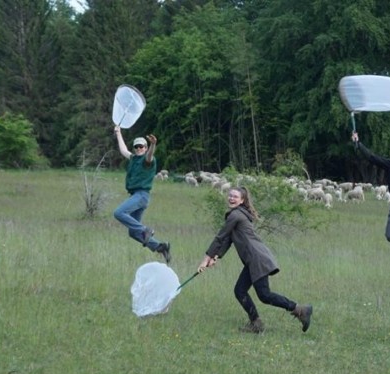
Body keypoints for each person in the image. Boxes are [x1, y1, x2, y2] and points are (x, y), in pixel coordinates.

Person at [197, 186, 313, 334]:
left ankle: (300, 310)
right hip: (254, 259)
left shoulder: (236, 215)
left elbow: (220, 237)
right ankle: (256, 323)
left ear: (242, 200)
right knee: (240, 291)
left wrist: (205, 259)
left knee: (264, 295)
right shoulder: (238, 214)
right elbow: (228, 240)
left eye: (235, 197)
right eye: (230, 195)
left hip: (257, 259)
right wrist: (215, 257)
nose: (231, 198)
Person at [113, 127, 170, 263]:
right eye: (136, 147)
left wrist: (153, 144)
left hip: (141, 195)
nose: (139, 148)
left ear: (145, 147)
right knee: (133, 232)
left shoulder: (147, 160)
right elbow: (123, 150)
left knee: (119, 213)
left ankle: (146, 230)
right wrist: (118, 133)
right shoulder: (133, 158)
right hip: (135, 196)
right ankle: (161, 247)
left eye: (141, 146)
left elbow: (150, 155)